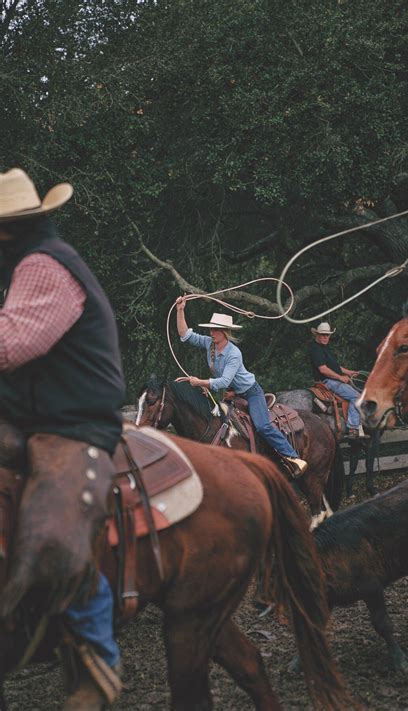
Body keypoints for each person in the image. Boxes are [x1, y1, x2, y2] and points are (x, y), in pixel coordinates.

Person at [0, 168, 125, 709]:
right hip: (37, 415)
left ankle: (98, 657)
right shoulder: (26, 262)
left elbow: (9, 345)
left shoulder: (43, 266)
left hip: (74, 420)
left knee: (54, 524)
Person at [175, 296, 308, 476]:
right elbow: (185, 334)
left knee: (262, 426)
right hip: (232, 394)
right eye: (212, 329)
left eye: (216, 329)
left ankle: (292, 458)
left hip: (250, 392)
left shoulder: (233, 353)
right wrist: (180, 310)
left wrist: (200, 382)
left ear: (225, 332)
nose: (212, 332)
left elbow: (222, 381)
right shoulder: (209, 344)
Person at [309, 322, 361, 438]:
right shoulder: (315, 349)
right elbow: (323, 370)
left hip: (333, 380)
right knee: (357, 397)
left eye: (327, 335)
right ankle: (353, 428)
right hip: (328, 381)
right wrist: (340, 377)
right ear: (316, 335)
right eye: (322, 335)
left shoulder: (325, 348)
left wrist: (349, 372)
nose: (325, 337)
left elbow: (335, 367)